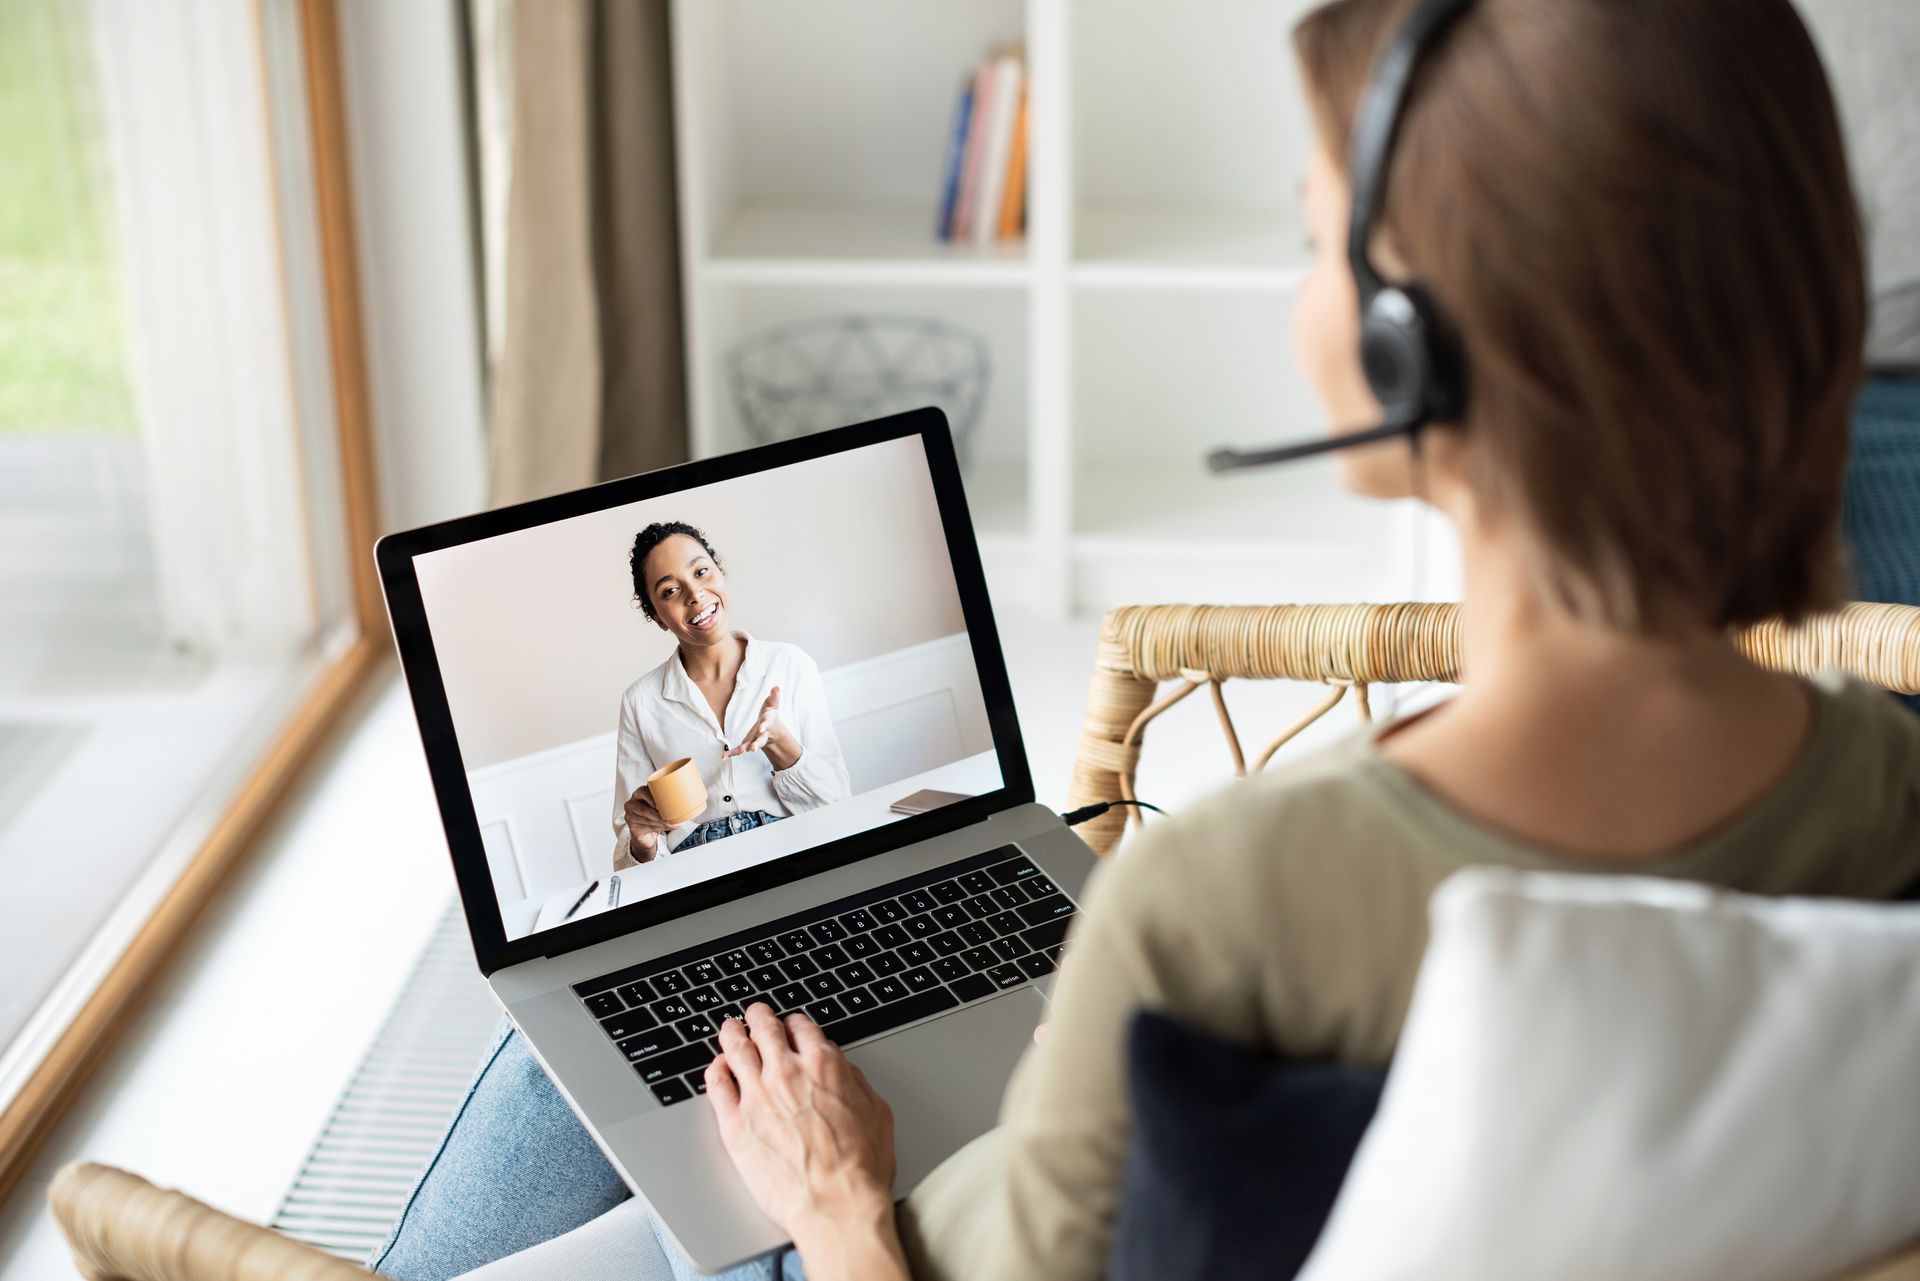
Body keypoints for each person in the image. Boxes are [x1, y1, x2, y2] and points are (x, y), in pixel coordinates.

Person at [372, 1, 1920, 1278]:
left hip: (878, 1247)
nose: (1302, 289)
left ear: (1415, 347)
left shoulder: (1222, 898)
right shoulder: (1886, 782)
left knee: (562, 1068)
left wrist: (837, 1204)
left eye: (1319, 237)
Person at [611, 521, 850, 871]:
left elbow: (838, 802)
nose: (695, 594)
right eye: (669, 591)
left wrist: (781, 745)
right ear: (657, 617)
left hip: (793, 847)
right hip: (696, 868)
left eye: (702, 572)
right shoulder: (640, 702)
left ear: (720, 573)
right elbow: (630, 862)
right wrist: (643, 843)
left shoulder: (790, 664)